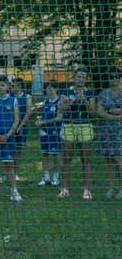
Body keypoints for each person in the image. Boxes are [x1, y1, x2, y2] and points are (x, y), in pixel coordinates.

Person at [58, 68, 95, 200]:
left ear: (86, 79)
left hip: (85, 126)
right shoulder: (66, 91)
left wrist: (84, 99)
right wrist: (73, 101)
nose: (81, 79)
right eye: (78, 76)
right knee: (67, 158)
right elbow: (61, 108)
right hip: (69, 125)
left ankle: (87, 190)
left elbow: (92, 112)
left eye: (83, 77)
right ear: (74, 77)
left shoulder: (90, 92)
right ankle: (64, 189)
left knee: (86, 159)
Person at [96, 71, 122, 199]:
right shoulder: (103, 93)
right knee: (108, 160)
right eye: (111, 76)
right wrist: (115, 115)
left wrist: (115, 111)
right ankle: (112, 188)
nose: (114, 79)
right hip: (106, 130)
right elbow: (99, 112)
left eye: (116, 76)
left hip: (120, 132)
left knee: (119, 160)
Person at [35, 81, 62, 187]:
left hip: (55, 130)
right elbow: (44, 115)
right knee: (45, 153)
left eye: (51, 88)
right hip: (44, 131)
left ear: (56, 89)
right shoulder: (46, 101)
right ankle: (46, 177)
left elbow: (59, 117)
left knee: (56, 154)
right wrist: (39, 120)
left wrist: (44, 122)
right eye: (47, 88)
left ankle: (56, 177)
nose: (49, 90)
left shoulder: (60, 101)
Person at [11, 78, 33, 180]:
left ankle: (15, 173)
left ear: (19, 86)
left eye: (14, 86)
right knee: (8, 150)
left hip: (21, 127)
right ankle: (6, 174)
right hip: (9, 127)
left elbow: (28, 113)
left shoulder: (27, 97)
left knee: (17, 151)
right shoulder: (10, 96)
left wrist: (19, 127)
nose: (12, 88)